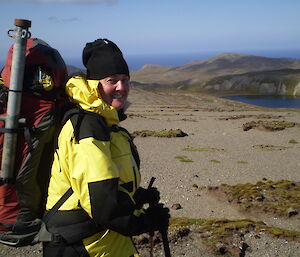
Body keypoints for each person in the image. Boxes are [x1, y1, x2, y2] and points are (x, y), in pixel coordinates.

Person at [42, 38, 170, 257]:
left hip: (103, 242)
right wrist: (146, 221)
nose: (122, 87)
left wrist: (137, 196)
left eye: (125, 80)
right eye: (112, 80)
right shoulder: (88, 128)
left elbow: (100, 185)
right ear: (94, 84)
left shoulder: (106, 124)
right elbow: (103, 206)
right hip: (82, 246)